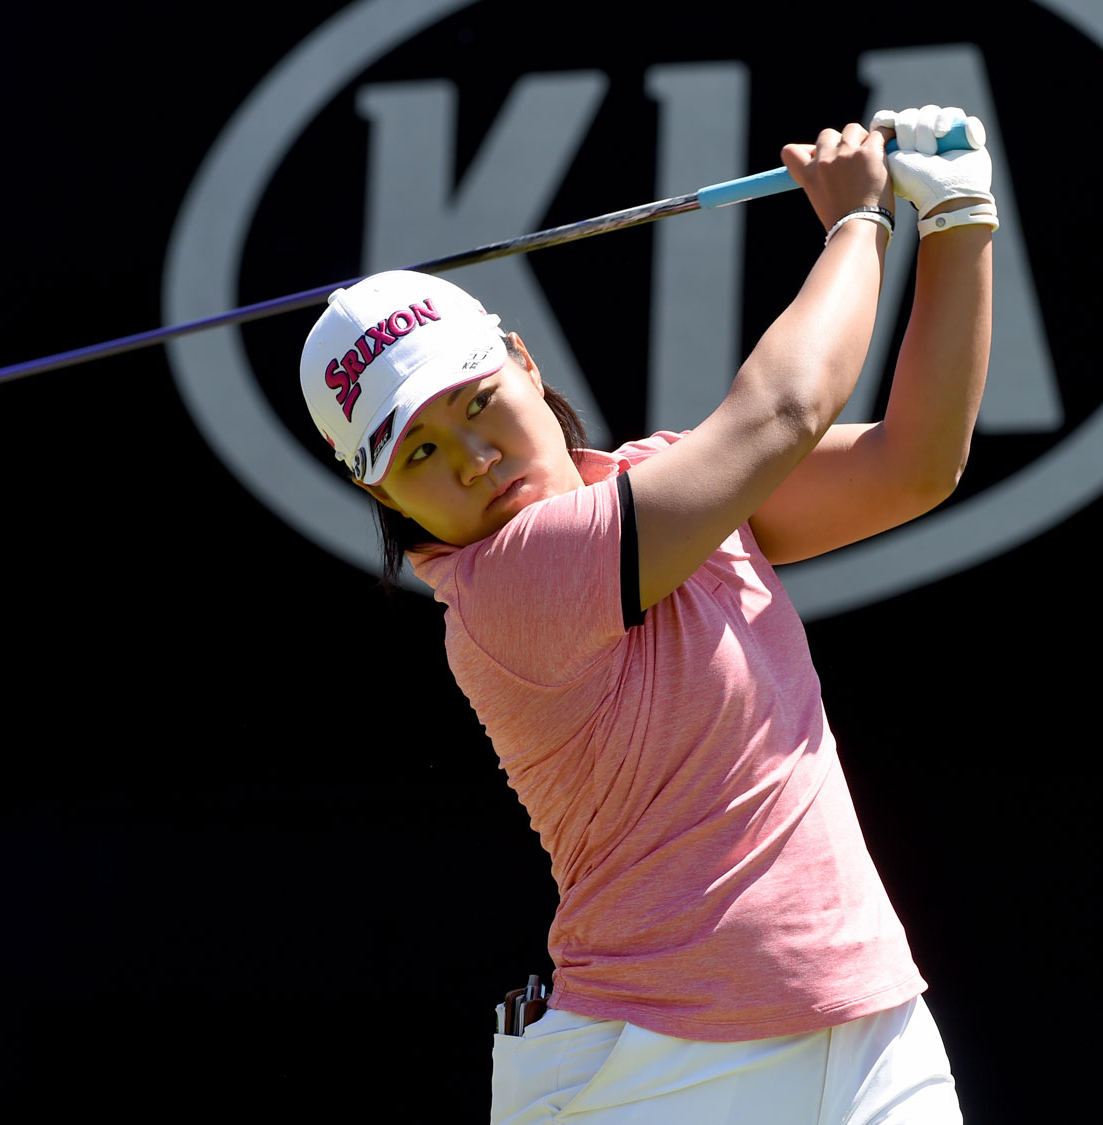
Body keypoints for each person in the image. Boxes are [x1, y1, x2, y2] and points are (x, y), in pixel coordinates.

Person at [298, 105, 995, 1124]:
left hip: (872, 1026)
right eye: (419, 457)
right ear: (389, 503)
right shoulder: (508, 586)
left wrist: (960, 223)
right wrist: (858, 224)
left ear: (524, 364)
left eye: (477, 402)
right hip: (660, 1068)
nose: (475, 460)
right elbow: (781, 411)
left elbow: (912, 465)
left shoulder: (667, 487)